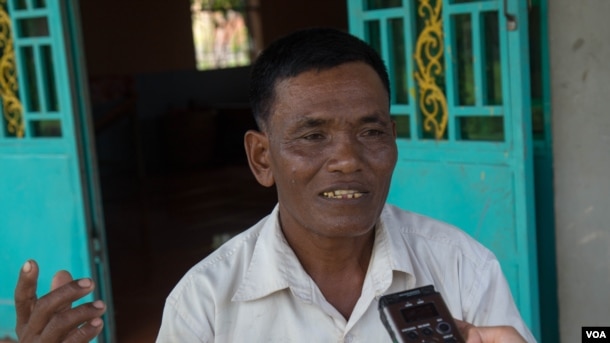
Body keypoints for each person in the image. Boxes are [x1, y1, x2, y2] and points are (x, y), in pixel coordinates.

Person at [14, 28, 535, 342]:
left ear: (394, 141)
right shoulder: (205, 303)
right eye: (313, 135)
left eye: (371, 131)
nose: (348, 160)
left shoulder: (463, 267)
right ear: (262, 157)